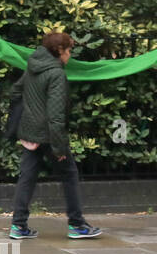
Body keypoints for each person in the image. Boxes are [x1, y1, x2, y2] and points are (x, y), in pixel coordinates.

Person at [8, 31, 101, 240]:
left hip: (30, 133)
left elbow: (15, 91)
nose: (70, 55)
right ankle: (77, 224)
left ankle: (18, 225)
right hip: (50, 135)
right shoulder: (56, 74)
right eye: (69, 50)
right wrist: (59, 148)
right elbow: (56, 116)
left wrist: (29, 113)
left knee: (27, 177)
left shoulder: (32, 66)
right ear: (59, 51)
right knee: (69, 174)